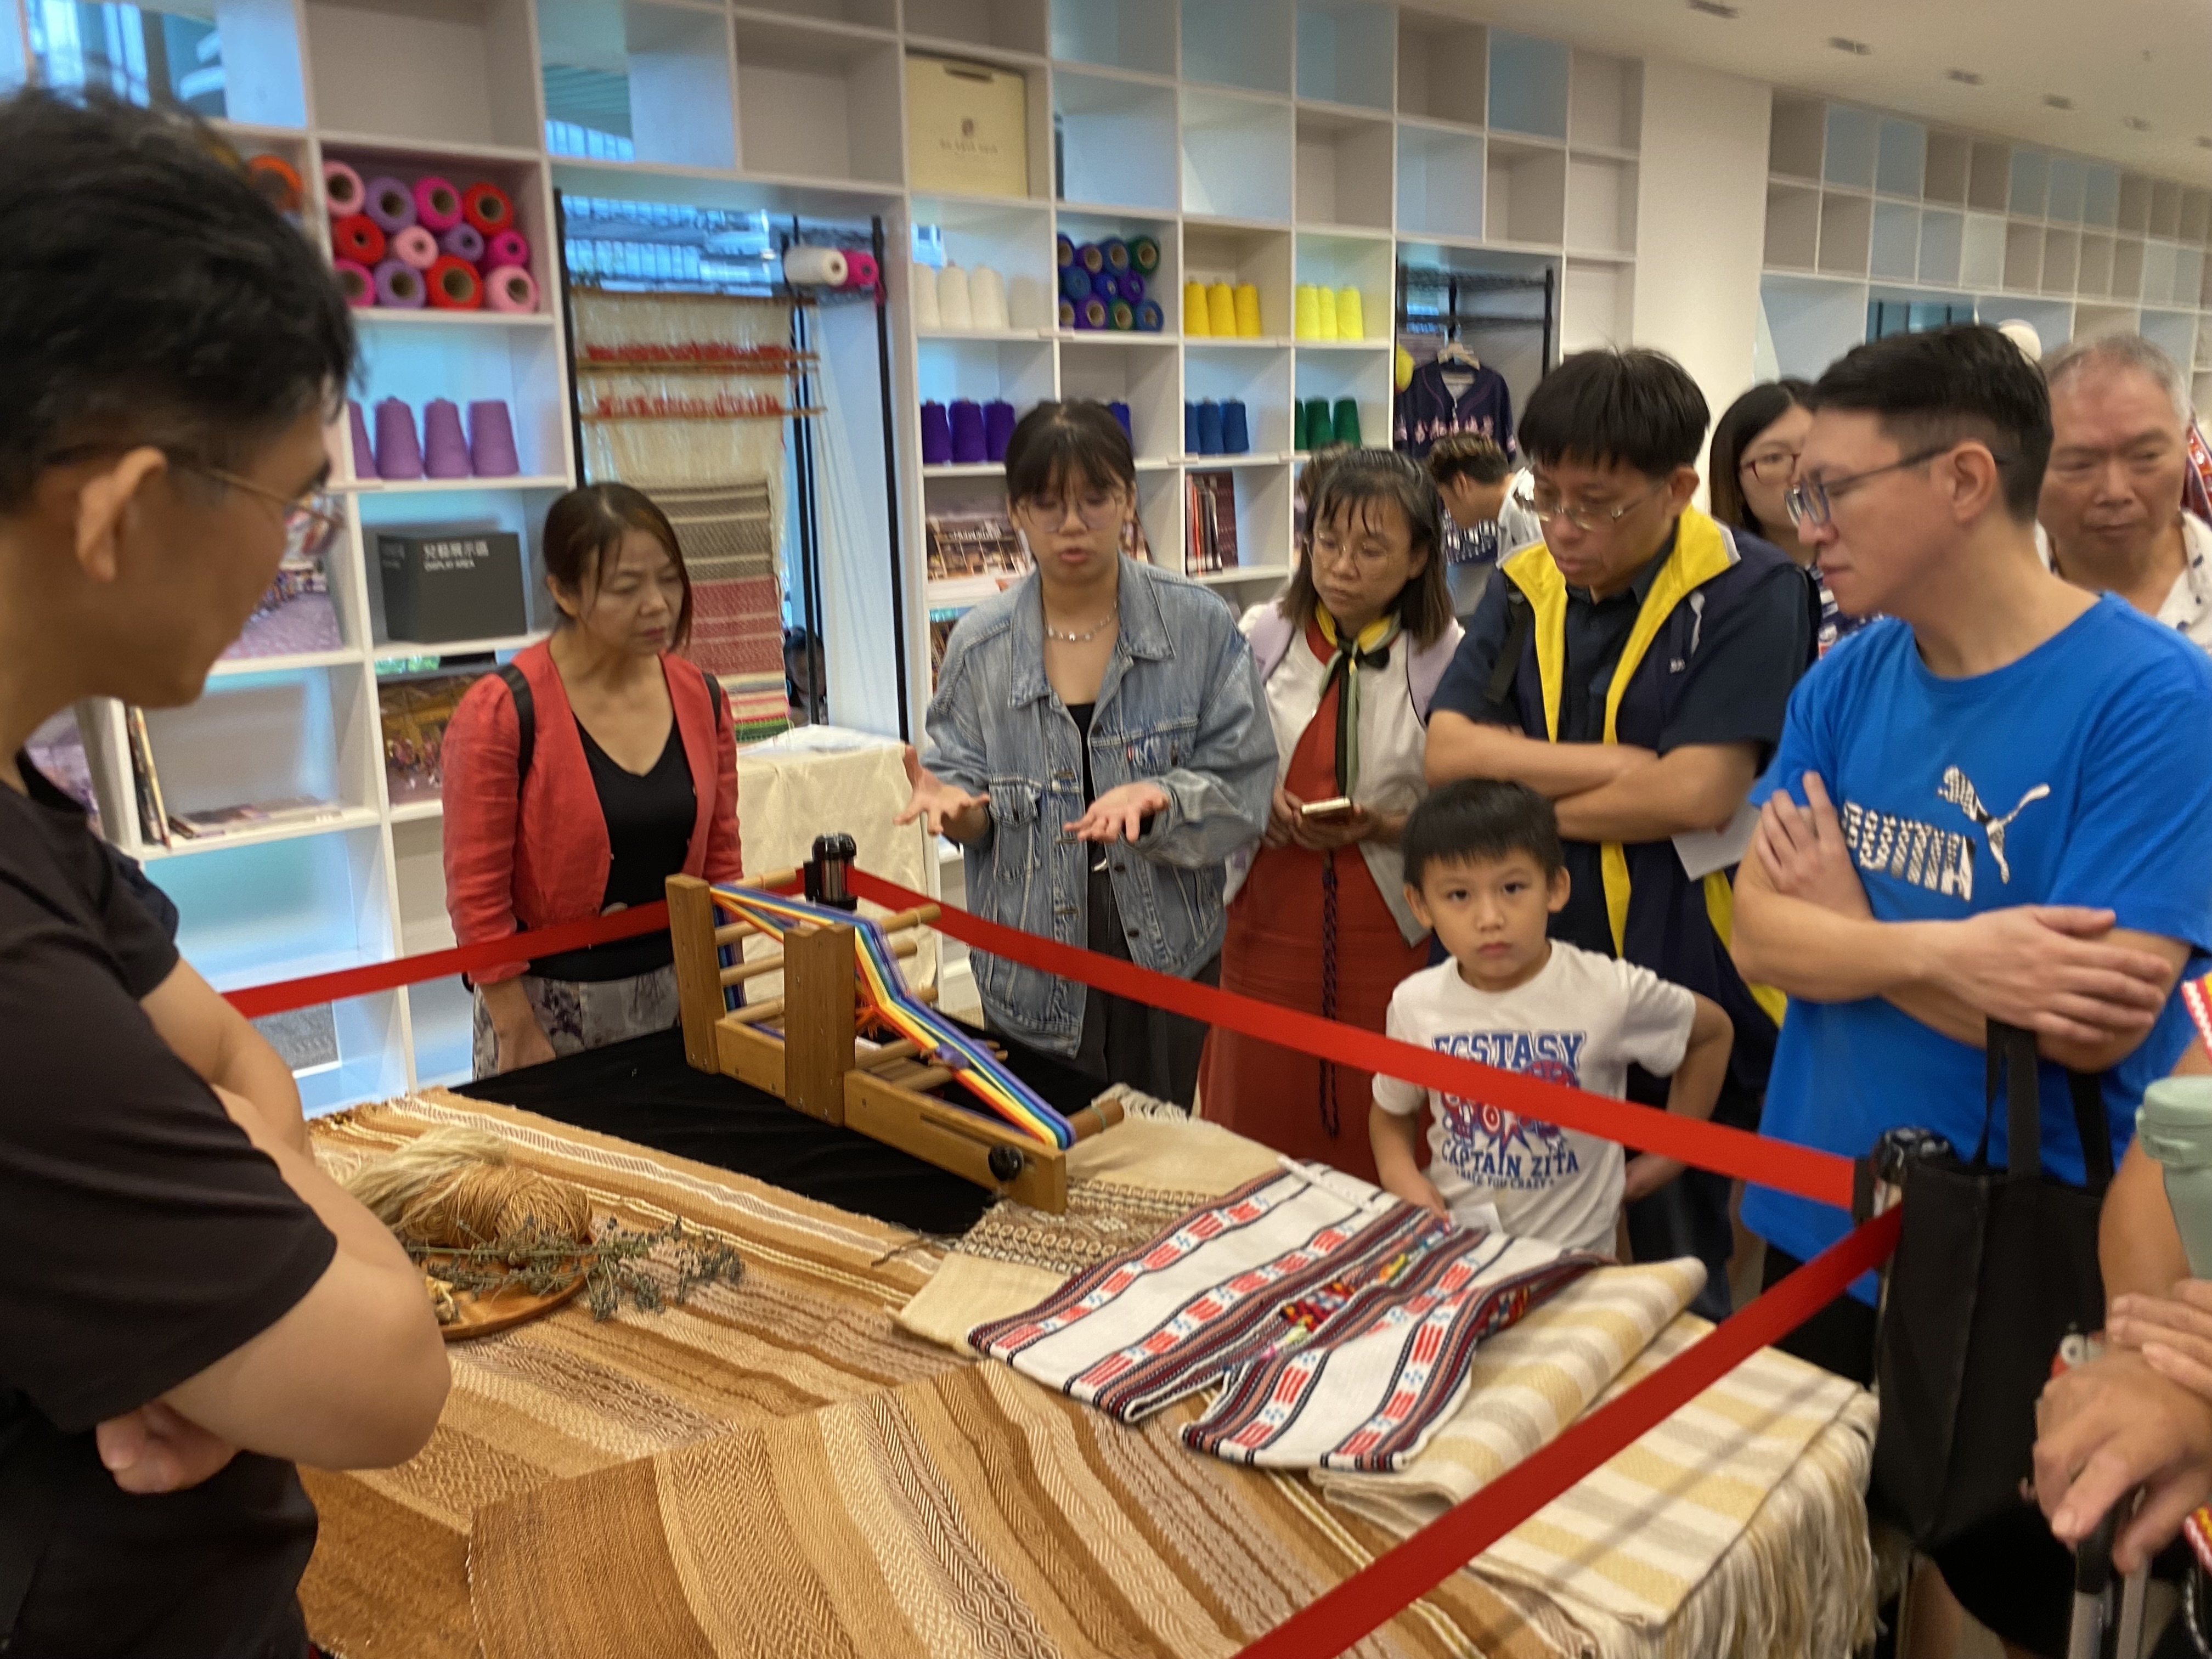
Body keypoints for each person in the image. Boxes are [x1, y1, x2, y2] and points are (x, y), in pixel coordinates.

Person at [0, 91, 448, 1657]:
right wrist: (244, 1283)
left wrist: (182, 1320)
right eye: (290, 503)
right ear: (123, 510)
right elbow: (382, 1369)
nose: (292, 557)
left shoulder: (27, 809)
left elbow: (233, 1049)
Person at [1733, 323, 2212, 1656]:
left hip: (2018, 1238)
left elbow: (2099, 1012)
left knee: (1982, 1595)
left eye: (1832, 488)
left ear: (1959, 479)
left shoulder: (2154, 700)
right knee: (1799, 1571)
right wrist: (1942, 953)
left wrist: (1853, 922)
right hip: (1815, 1210)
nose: (1803, 520)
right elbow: (1763, 935)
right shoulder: (1849, 674)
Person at [1423, 347, 1814, 1318]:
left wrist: (1513, 793)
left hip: (1695, 947)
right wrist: (1622, 772)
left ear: (1679, 487)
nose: (1562, 527)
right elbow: (1444, 751)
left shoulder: (1748, 587)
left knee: (1681, 1248)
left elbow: (1699, 793)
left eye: (1595, 503)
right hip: (1526, 951)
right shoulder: (1523, 579)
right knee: (1520, 1214)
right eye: (1545, 493)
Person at [897, 402, 1274, 1105]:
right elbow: (964, 797)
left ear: (1128, 500)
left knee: (1162, 1157)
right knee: (1050, 1157)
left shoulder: (1197, 625)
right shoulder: (978, 648)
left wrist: (1162, 801)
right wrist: (957, 813)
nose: (1072, 524)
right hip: (1032, 967)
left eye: (1095, 499)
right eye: (1047, 504)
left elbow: (1244, 785)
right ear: (1016, 512)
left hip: (1165, 957)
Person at [1199, 450, 1460, 1179]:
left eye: (1371, 548)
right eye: (1328, 542)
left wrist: (1387, 825)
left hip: (1395, 928)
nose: (1342, 565)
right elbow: (1208, 758)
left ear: (1418, 559)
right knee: (1257, 1133)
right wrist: (1252, 801)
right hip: (1266, 915)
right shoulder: (1262, 636)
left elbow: (1477, 811)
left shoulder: (1448, 658)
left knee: (1388, 1122)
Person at [443, 484, 742, 1077]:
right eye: (627, 587)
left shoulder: (702, 697)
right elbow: (476, 896)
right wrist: (515, 1027)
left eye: (670, 579)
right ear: (564, 592)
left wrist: (727, 988)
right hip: (548, 1010)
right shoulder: (501, 710)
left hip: (682, 997)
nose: (658, 605)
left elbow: (722, 862)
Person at [1370, 780, 1732, 1255]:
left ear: (1556, 887)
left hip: (1577, 1263)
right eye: (1458, 895)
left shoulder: (1607, 990)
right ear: (1421, 905)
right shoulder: (1416, 1002)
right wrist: (1405, 1183)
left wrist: (1667, 1158)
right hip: (1462, 1252)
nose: (1490, 917)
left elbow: (1711, 1034)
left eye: (1513, 888)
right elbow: (1391, 1116)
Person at [2039, 331, 2212, 649]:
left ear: (2187, 441)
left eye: (2146, 458)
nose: (2115, 492)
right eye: (2080, 464)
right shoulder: (1978, 596)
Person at [1708, 377, 1864, 659]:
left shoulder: (1871, 576)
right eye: (1773, 459)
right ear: (1734, 481)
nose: (1799, 478)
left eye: (1813, 454)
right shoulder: (1713, 593)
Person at [1425, 432, 1542, 618]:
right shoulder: (1514, 504)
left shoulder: (1524, 512)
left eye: (1443, 498)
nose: (1446, 509)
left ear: (1460, 484)